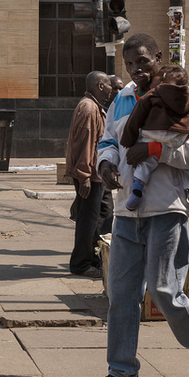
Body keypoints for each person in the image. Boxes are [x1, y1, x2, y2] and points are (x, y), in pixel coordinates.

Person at [84, 33, 189, 377]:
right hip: (127, 213)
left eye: (144, 62)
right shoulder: (121, 99)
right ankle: (122, 372)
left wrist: (155, 150)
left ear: (159, 58)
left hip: (167, 208)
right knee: (121, 294)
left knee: (165, 290)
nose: (137, 70)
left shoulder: (181, 93)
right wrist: (105, 165)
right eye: (130, 64)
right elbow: (109, 142)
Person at [119, 65, 189, 215]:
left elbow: (135, 118)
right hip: (179, 136)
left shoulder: (153, 94)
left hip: (153, 134)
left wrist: (128, 140)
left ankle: (137, 189)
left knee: (146, 162)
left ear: (164, 76)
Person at [64, 71, 114, 279]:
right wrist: (84, 175)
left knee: (101, 215)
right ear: (100, 86)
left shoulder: (94, 106)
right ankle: (81, 263)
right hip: (89, 174)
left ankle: (94, 256)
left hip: (95, 174)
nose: (112, 88)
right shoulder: (88, 108)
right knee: (87, 220)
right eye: (109, 84)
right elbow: (85, 143)